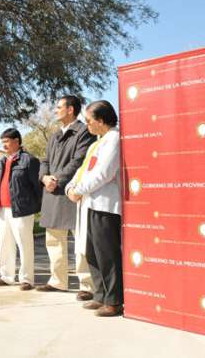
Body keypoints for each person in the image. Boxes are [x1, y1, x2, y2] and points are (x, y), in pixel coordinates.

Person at [36, 95, 96, 301]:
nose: (55, 110)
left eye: (59, 107)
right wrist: (44, 177)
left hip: (72, 193)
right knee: (54, 241)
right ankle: (57, 281)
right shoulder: (54, 135)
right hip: (52, 193)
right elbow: (44, 160)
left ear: (71, 110)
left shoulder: (83, 132)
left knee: (80, 242)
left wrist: (57, 179)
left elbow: (80, 160)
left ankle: (87, 285)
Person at [66, 100, 123, 317]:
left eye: (89, 121)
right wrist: (71, 187)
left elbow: (104, 173)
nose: (87, 125)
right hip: (89, 204)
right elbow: (82, 170)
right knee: (91, 252)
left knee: (107, 253)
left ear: (100, 120)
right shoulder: (96, 143)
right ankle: (100, 295)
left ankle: (114, 301)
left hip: (105, 206)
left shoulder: (114, 139)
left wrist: (79, 189)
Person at [0, 128, 42, 291]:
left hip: (22, 209)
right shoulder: (1, 162)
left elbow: (37, 187)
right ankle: (6, 276)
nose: (4, 145)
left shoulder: (29, 160)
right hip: (2, 210)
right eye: (2, 142)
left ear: (16, 141)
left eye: (6, 141)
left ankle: (27, 279)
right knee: (4, 244)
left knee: (24, 244)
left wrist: (34, 206)